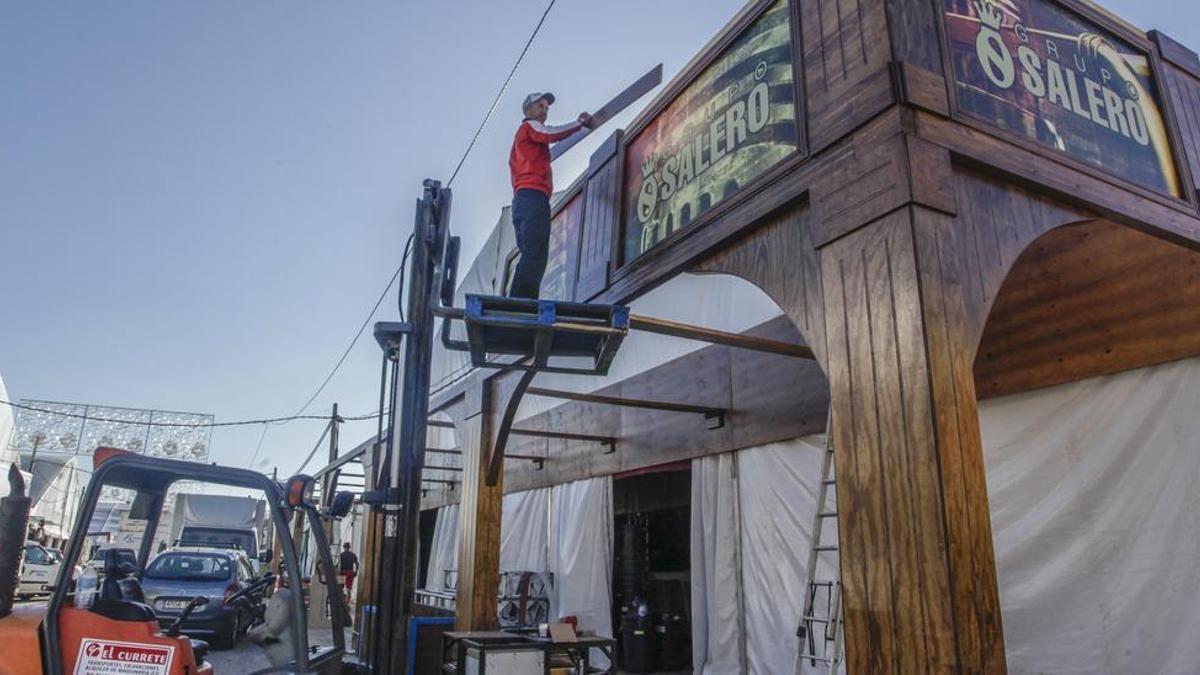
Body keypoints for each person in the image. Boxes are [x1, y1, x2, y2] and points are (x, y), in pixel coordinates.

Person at [507, 92, 592, 298]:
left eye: (546, 107)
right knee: (536, 254)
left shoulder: (523, 142)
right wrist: (579, 123)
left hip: (522, 200)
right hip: (533, 196)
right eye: (540, 106)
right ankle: (523, 303)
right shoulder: (530, 126)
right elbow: (550, 134)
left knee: (529, 253)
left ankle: (515, 300)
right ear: (527, 110)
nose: (544, 110)